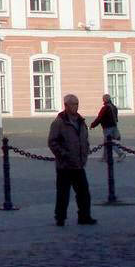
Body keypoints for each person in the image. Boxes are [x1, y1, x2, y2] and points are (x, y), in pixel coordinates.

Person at [47, 93, 98, 227]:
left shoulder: (81, 122)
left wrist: (85, 152)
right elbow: (52, 142)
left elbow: (85, 140)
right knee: (63, 194)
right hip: (64, 166)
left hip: (79, 164)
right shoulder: (59, 123)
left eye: (77, 104)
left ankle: (84, 216)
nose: (75, 106)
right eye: (73, 104)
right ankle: (60, 218)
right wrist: (63, 154)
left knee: (83, 192)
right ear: (66, 106)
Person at [89, 93, 124, 162]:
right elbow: (116, 118)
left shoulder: (105, 108)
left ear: (105, 99)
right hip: (114, 126)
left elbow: (99, 118)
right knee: (106, 143)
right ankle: (105, 157)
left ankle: (120, 154)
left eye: (103, 99)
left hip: (107, 127)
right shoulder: (114, 107)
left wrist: (92, 125)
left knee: (109, 142)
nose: (103, 100)